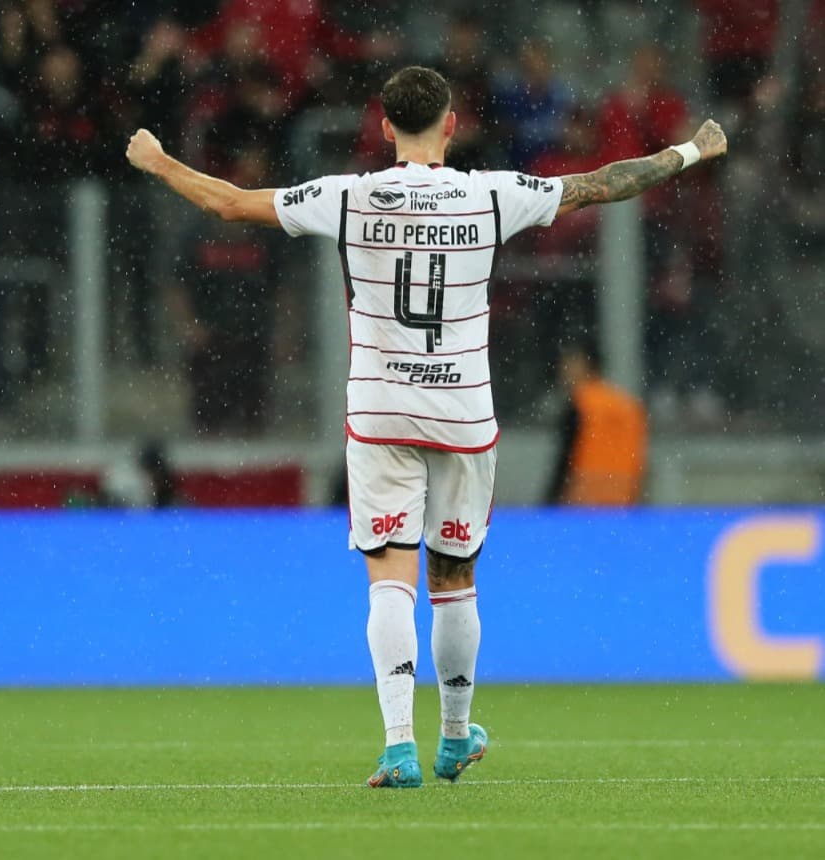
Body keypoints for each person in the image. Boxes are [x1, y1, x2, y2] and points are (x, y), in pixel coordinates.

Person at [126, 65, 726, 788]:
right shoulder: (492, 194)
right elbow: (604, 183)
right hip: (463, 412)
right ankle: (452, 736)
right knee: (455, 582)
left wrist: (157, 161)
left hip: (380, 411)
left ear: (384, 126)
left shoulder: (347, 197)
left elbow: (228, 204)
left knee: (388, 581)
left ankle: (398, 745)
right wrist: (692, 151)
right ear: (450, 124)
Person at [546, 340, 648, 506]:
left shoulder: (580, 405)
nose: (563, 370)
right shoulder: (628, 405)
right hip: (624, 504)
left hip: (583, 505)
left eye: (569, 362)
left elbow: (564, 462)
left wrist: (550, 503)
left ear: (585, 364)